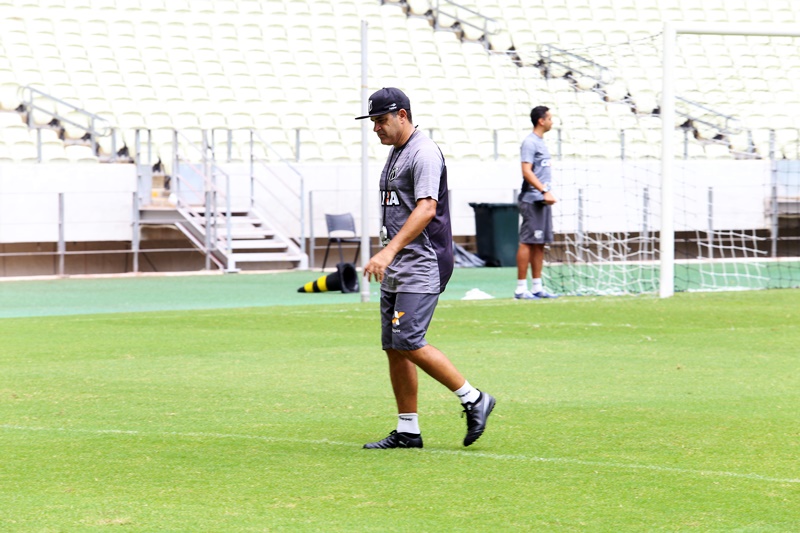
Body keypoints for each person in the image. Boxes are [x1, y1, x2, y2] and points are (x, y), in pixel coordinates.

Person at [356, 87, 495, 449]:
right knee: (393, 345)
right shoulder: (397, 152)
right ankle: (408, 429)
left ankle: (473, 398)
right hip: (400, 260)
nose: (376, 129)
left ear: (402, 115)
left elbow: (426, 208)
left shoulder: (424, 152)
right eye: (373, 122)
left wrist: (387, 252)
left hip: (423, 260)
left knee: (408, 340)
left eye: (381, 120)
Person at [515, 105, 558, 300]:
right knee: (527, 242)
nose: (551, 121)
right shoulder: (530, 142)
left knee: (539, 243)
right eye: (549, 118)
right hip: (532, 199)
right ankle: (520, 289)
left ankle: (537, 286)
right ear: (541, 120)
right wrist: (543, 190)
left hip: (542, 200)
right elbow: (526, 171)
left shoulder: (541, 142)